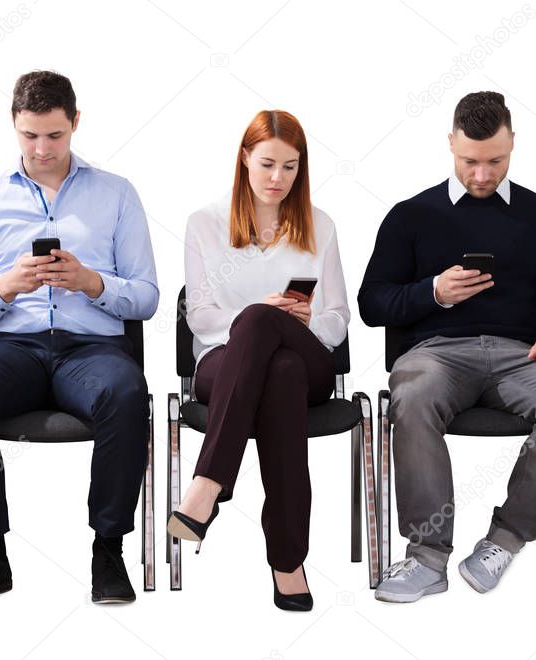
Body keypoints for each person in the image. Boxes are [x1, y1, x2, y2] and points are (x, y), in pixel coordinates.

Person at [358, 91, 536, 603]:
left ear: (512, 145)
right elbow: (372, 303)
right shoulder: (410, 216)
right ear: (450, 144)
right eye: (470, 161)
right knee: (415, 394)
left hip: (523, 357)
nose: (483, 175)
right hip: (436, 355)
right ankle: (425, 557)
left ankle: (504, 540)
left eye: (496, 161)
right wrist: (432, 293)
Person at [0, 70, 159, 606]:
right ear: (14, 126)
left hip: (93, 350)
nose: (42, 149)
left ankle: (108, 548)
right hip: (11, 349)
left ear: (75, 123)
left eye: (55, 136)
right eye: (30, 135)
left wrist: (91, 282)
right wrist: (6, 287)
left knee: (126, 394)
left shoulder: (117, 194)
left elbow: (148, 297)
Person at [166, 110, 351, 612]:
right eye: (268, 163)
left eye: (290, 167)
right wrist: (257, 320)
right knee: (275, 361)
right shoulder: (204, 222)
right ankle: (289, 562)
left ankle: (206, 487)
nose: (277, 179)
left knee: (276, 340)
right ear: (244, 157)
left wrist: (301, 321)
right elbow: (200, 317)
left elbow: (338, 321)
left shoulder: (321, 224)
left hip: (310, 356)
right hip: (224, 364)